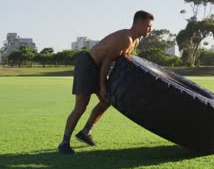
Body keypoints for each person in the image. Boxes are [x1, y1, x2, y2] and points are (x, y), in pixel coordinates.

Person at [58, 10, 154, 154]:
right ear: (138, 23)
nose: (150, 30)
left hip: (99, 68)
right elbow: (107, 61)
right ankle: (64, 142)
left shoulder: (135, 41)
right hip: (88, 65)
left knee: (107, 100)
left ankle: (85, 132)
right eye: (148, 26)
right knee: (81, 106)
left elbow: (120, 63)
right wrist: (102, 85)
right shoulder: (126, 38)